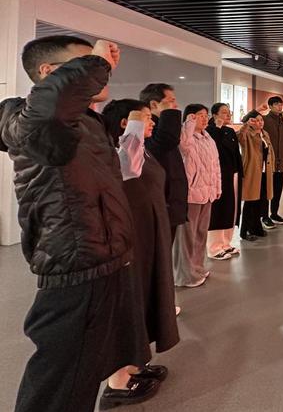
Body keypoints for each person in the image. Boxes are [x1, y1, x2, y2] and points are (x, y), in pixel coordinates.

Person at [0, 36, 156, 412]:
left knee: (84, 369)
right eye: (85, 63)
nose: (102, 73)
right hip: (76, 260)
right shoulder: (35, 121)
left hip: (101, 254)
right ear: (49, 73)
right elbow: (47, 113)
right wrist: (95, 64)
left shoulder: (82, 122)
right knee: (62, 380)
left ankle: (121, 383)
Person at [102, 100, 180, 407]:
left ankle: (135, 363)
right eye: (147, 118)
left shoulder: (142, 148)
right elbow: (128, 169)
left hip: (149, 235)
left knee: (146, 296)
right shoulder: (119, 151)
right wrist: (136, 123)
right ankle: (118, 382)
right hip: (133, 239)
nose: (152, 123)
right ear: (126, 123)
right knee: (130, 300)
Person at [173, 104, 221, 288]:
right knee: (187, 236)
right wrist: (188, 125)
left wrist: (217, 187)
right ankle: (185, 274)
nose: (204, 118)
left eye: (205, 115)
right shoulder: (185, 136)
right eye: (199, 115)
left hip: (207, 193)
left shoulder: (208, 138)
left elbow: (215, 166)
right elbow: (183, 147)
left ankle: (198, 268)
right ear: (190, 117)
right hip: (191, 194)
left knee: (201, 233)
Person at [139, 83, 188, 245]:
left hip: (170, 200)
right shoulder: (147, 130)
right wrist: (170, 113)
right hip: (160, 201)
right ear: (154, 104)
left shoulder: (162, 126)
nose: (176, 105)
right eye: (171, 100)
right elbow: (165, 142)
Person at [206, 103, 244, 259]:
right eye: (223, 112)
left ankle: (226, 243)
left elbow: (236, 154)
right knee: (218, 210)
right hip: (218, 175)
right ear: (214, 115)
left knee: (231, 209)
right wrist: (217, 127)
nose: (228, 115)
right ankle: (214, 247)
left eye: (229, 112)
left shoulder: (230, 131)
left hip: (232, 174)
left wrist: (240, 172)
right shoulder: (209, 131)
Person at [237, 111, 276, 241]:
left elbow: (270, 152)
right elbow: (240, 137)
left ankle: (256, 227)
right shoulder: (247, 134)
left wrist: (272, 167)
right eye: (256, 120)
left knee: (261, 201)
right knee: (250, 202)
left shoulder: (265, 134)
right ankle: (244, 231)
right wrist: (246, 125)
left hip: (265, 172)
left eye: (261, 120)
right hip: (252, 171)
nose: (260, 123)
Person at [259, 96, 283, 226]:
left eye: (281, 104)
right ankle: (264, 216)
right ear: (270, 106)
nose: (280, 107)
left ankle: (274, 213)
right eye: (277, 104)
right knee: (266, 191)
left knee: (277, 190)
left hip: (281, 163)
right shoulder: (264, 120)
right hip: (267, 163)